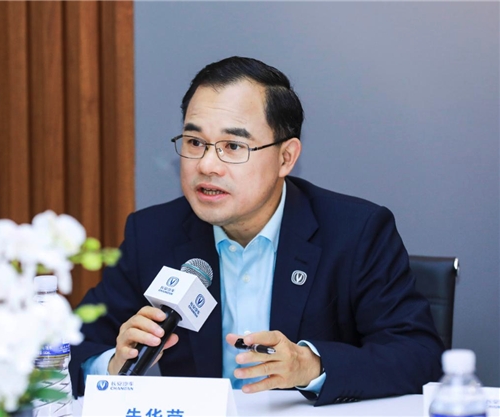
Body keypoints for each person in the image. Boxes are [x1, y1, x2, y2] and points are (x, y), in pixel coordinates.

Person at [70, 56, 444, 405]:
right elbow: (70, 351)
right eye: (195, 142)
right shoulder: (153, 233)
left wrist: (311, 366)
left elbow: (419, 357)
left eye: (233, 146)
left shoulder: (355, 232)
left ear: (286, 157)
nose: (207, 165)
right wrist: (114, 366)